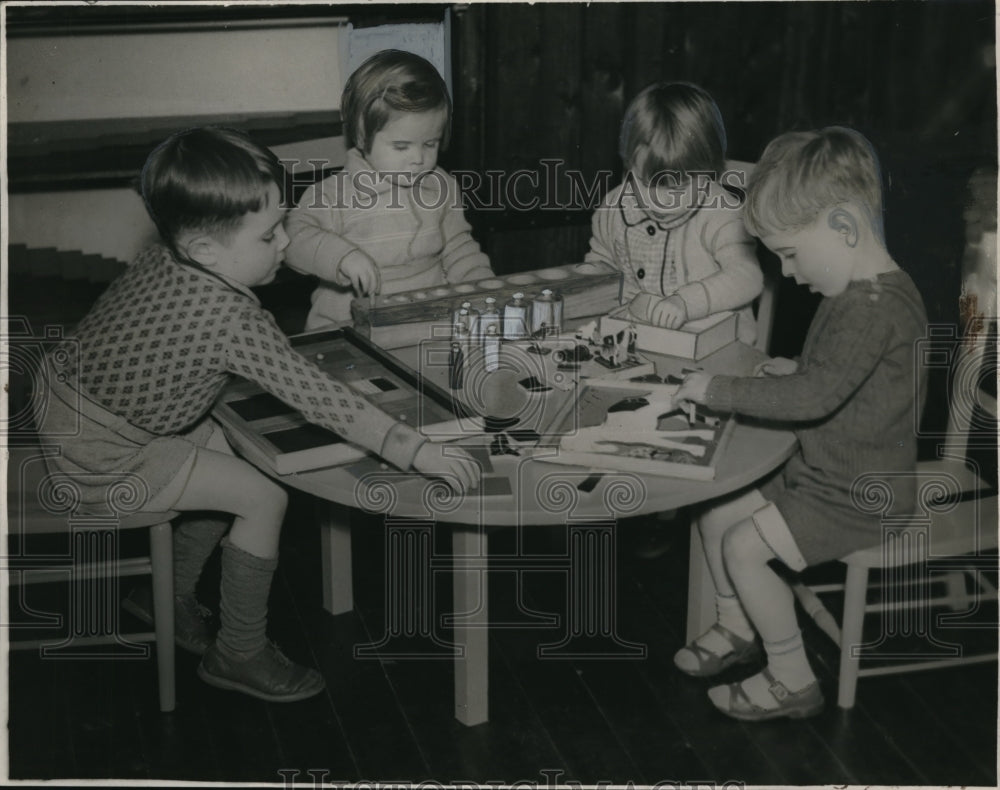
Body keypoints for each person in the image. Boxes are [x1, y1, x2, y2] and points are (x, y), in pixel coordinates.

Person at [33, 126, 479, 703]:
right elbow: (322, 398)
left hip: (64, 402)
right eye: (270, 234)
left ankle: (164, 596)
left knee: (223, 447)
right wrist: (414, 448)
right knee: (264, 496)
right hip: (101, 452)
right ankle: (238, 652)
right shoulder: (235, 321)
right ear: (205, 251)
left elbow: (150, 353)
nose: (287, 241)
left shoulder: (162, 257)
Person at [671, 126, 928, 720]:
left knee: (741, 545)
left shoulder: (869, 307)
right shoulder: (863, 293)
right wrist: (799, 367)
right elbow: (839, 375)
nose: (786, 273)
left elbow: (816, 397)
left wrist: (718, 389)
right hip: (825, 475)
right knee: (717, 512)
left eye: (789, 253)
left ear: (842, 228)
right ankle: (739, 627)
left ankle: (791, 677)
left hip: (859, 497)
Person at [285, 49, 494, 330]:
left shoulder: (440, 184)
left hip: (426, 320)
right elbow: (292, 239)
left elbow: (458, 246)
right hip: (348, 328)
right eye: (401, 146)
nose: (418, 158)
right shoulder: (332, 194)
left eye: (430, 144)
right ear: (361, 136)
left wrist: (481, 285)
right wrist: (341, 256)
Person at [585, 82, 763, 344]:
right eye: (647, 184)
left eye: (679, 187)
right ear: (629, 166)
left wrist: (687, 302)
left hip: (717, 347)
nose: (662, 200)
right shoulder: (615, 207)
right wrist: (589, 281)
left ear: (709, 171)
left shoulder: (722, 212)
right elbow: (601, 262)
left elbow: (748, 277)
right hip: (637, 341)